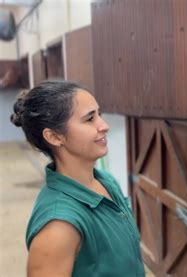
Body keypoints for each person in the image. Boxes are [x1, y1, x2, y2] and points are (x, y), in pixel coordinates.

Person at [10, 80, 145, 276]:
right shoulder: (59, 225)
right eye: (90, 119)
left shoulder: (106, 181)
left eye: (99, 114)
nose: (104, 126)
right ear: (55, 137)